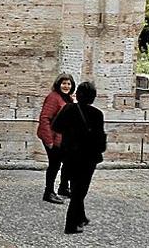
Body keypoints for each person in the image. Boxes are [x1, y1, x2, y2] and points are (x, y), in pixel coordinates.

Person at [52, 81, 106, 234]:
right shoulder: (97, 114)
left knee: (76, 188)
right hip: (88, 158)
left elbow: (56, 127)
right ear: (93, 97)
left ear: (78, 95)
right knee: (79, 192)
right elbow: (100, 140)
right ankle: (71, 225)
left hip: (69, 155)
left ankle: (81, 218)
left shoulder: (68, 109)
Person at [36, 73, 76, 204]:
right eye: (64, 83)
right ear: (58, 84)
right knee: (54, 165)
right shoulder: (53, 98)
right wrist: (49, 142)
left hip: (64, 139)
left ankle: (63, 188)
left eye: (69, 83)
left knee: (69, 162)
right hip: (53, 138)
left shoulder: (67, 99)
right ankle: (48, 193)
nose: (66, 86)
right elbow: (44, 118)